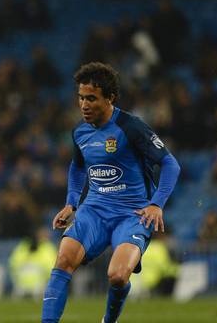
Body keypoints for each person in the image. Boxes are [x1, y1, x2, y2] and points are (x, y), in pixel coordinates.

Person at [41, 62, 181, 323]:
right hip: (94, 209)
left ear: (110, 98)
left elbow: (170, 164)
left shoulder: (131, 127)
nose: (84, 105)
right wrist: (71, 203)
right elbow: (77, 166)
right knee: (64, 258)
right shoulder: (79, 132)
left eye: (91, 98)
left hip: (132, 213)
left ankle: (109, 320)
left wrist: (156, 204)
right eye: (81, 98)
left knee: (117, 275)